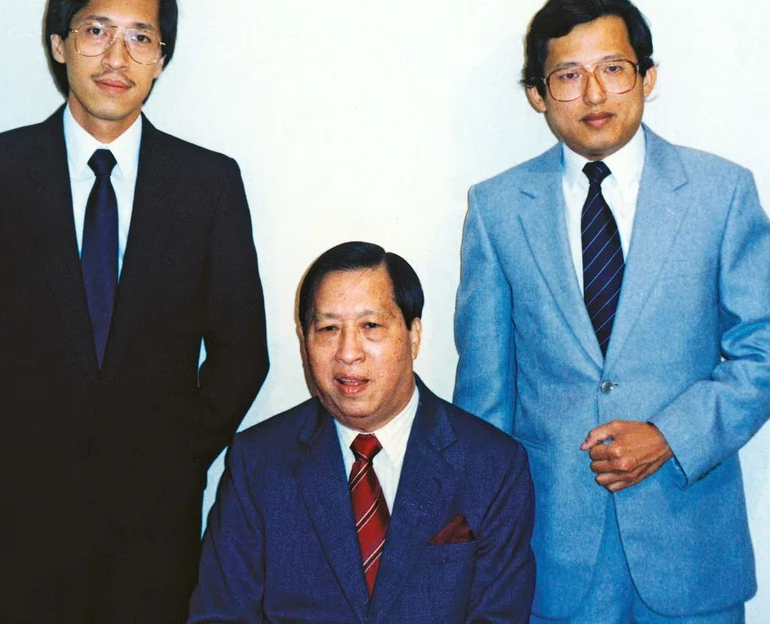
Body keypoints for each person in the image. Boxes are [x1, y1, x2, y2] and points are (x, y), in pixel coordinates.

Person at [0, 0, 269, 624]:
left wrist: (171, 455)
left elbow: (241, 350)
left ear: (162, 58)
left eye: (141, 37)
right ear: (60, 43)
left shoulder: (207, 185)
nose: (118, 55)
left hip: (152, 535)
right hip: (14, 528)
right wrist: (13, 445)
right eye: (96, 30)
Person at [453, 0, 770, 623]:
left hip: (691, 543)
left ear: (648, 77)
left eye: (614, 69)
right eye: (568, 75)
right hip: (548, 557)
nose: (593, 94)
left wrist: (671, 435)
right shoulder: (497, 209)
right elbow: (486, 396)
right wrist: (479, 542)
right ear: (537, 94)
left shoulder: (720, 194)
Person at [188, 241, 536, 623]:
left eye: (370, 326)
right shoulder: (258, 462)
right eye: (328, 328)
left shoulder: (493, 464)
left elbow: (499, 616)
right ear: (305, 342)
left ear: (413, 335)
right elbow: (219, 616)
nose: (348, 352)